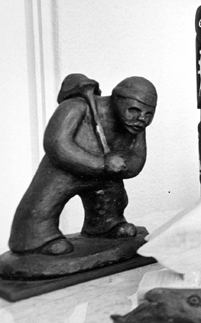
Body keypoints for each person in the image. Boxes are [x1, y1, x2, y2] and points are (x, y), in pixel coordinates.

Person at [8, 76, 157, 255]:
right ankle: (35, 239)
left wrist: (122, 167)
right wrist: (102, 163)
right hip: (65, 168)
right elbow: (56, 143)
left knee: (111, 198)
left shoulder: (135, 124)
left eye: (148, 115)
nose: (141, 119)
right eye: (134, 110)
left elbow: (136, 161)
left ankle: (105, 225)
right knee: (42, 205)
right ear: (116, 99)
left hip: (104, 177)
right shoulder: (77, 107)